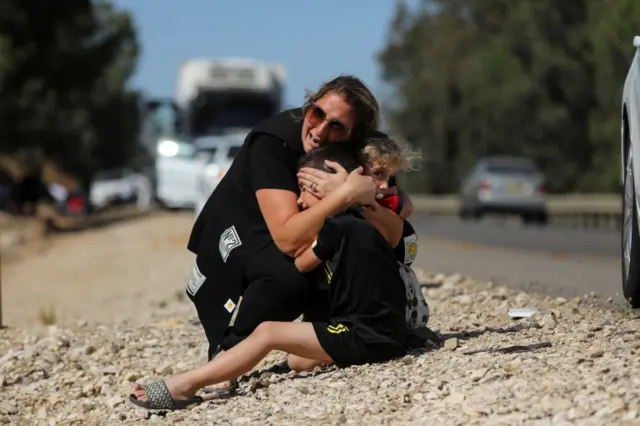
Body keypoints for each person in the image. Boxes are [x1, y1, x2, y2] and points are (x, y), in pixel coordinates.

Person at [130, 143, 408, 411]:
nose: (298, 200)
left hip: (369, 334)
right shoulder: (359, 223)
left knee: (269, 333)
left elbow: (300, 264)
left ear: (327, 188)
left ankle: (184, 385)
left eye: (306, 190)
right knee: (298, 362)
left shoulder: (339, 226)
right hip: (380, 330)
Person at [185, 75, 412, 395]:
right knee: (289, 274)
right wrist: (345, 195)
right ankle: (231, 351)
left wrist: (367, 199)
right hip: (245, 227)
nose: (319, 131)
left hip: (315, 228)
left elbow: (399, 226)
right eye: (316, 113)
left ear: (354, 137)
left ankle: (333, 333)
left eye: (336, 126)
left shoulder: (364, 153)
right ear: (309, 105)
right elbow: (288, 239)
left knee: (355, 243)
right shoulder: (273, 142)